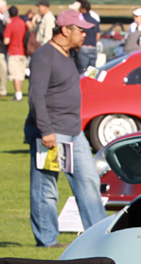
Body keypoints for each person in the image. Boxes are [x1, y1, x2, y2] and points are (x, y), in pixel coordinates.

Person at [25, 9, 106, 247]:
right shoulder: (44, 56)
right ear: (65, 30)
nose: (84, 35)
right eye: (80, 31)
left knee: (89, 182)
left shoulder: (68, 55)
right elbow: (36, 96)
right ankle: (47, 240)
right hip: (50, 133)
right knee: (45, 188)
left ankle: (99, 236)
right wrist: (46, 130)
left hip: (74, 132)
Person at [4, 4, 26, 100]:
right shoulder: (23, 23)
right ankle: (19, 92)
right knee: (20, 75)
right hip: (23, 52)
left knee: (15, 75)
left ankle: (18, 95)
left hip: (13, 52)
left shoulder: (10, 25)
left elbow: (6, 40)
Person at [73, 0, 98, 73]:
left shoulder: (80, 20)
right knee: (92, 72)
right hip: (93, 48)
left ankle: (83, 84)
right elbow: (98, 34)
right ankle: (92, 84)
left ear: (82, 8)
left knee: (82, 71)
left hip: (83, 48)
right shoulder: (94, 20)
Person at [0, 2, 8, 98]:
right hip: (0, 49)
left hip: (2, 49)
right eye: (4, 6)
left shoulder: (3, 19)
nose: (6, 8)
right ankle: (2, 90)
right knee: (3, 69)